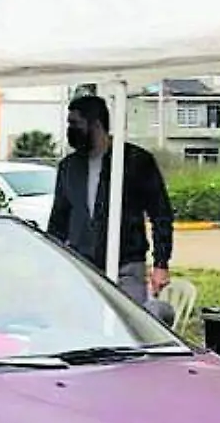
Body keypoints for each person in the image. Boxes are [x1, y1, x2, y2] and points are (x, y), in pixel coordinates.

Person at [47, 93, 175, 301]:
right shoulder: (69, 167)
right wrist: (51, 262)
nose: (70, 130)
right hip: (82, 264)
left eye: (75, 124)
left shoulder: (136, 162)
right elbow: (58, 219)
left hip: (127, 264)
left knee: (128, 325)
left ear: (95, 124)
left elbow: (161, 214)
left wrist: (161, 263)